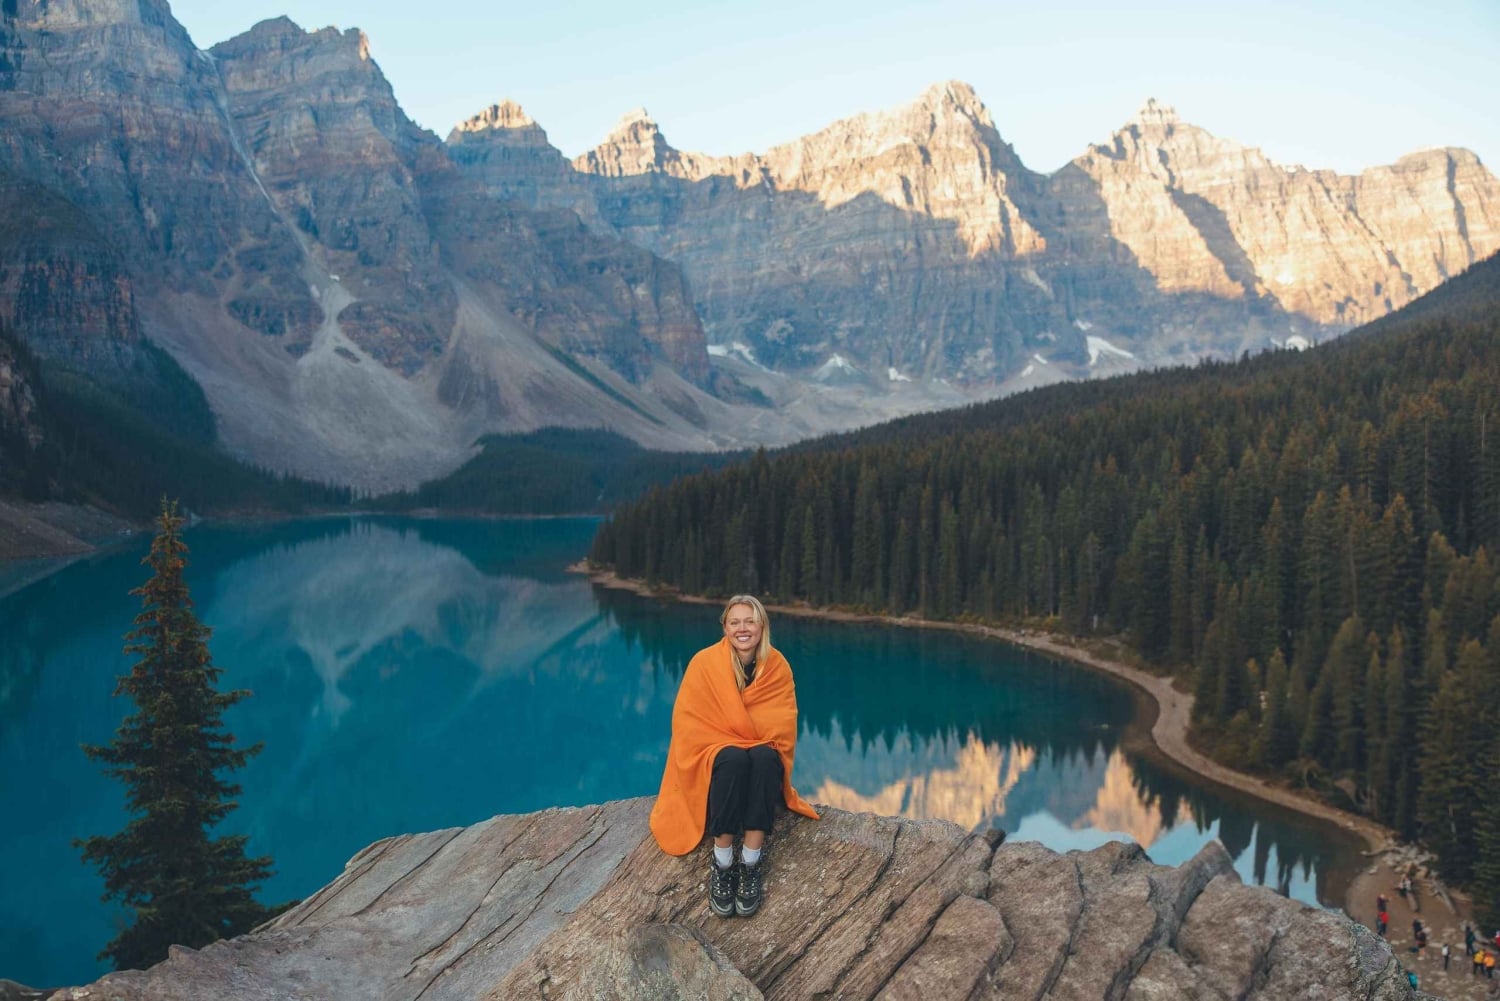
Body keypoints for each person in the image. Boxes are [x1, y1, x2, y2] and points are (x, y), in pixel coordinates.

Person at [650, 595, 819, 919]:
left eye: (749, 622)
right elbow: (688, 722)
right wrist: (737, 739)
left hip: (759, 747)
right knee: (734, 760)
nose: (743, 629)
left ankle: (751, 862)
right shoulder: (704, 663)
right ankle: (723, 861)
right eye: (735, 622)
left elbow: (781, 722)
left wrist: (746, 737)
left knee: (766, 759)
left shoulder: (777, 666)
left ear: (761, 626)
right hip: (714, 749)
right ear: (725, 628)